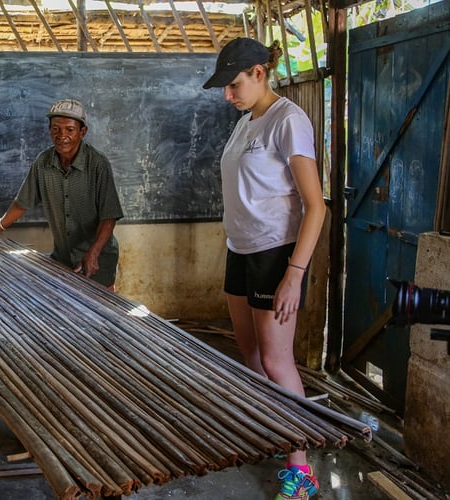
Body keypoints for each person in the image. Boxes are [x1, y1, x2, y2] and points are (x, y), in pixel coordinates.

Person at [203, 37, 327, 500]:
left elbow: (316, 207)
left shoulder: (288, 120)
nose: (227, 95)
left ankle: (301, 471)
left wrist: (294, 274)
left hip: (277, 253)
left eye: (234, 85)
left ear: (259, 72)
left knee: (277, 361)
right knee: (251, 356)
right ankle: (275, 431)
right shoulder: (246, 123)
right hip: (242, 249)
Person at [0, 98, 124, 290]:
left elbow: (109, 215)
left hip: (97, 258)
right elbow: (22, 202)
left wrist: (93, 253)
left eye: (69, 129)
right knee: (65, 310)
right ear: (49, 130)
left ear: (82, 132)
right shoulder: (43, 163)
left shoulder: (98, 165)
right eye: (56, 129)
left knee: (99, 312)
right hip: (62, 257)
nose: (62, 135)